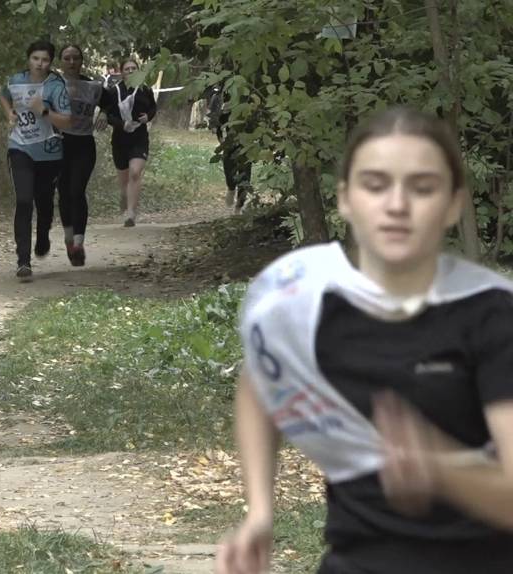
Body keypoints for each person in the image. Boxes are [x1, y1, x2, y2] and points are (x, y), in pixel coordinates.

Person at [217, 106, 513, 574]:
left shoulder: (493, 314)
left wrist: (439, 467)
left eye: (422, 187)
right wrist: (259, 511)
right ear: (346, 199)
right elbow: (260, 383)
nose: (397, 204)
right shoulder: (303, 300)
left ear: (455, 204)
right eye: (375, 185)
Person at [0, 39, 74, 282]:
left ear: (50, 62)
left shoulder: (55, 85)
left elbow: (67, 121)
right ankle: (23, 261)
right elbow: (4, 95)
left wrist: (43, 110)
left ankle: (43, 233)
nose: (40, 64)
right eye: (35, 59)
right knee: (23, 200)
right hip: (19, 147)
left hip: (49, 153)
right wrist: (9, 112)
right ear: (28, 59)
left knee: (43, 202)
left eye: (45, 60)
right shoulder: (15, 80)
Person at [55, 44, 115, 266]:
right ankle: (69, 238)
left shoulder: (92, 86)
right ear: (60, 61)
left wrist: (105, 114)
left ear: (81, 61)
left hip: (83, 145)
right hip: (58, 145)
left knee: (77, 191)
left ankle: (79, 243)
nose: (71, 62)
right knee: (63, 193)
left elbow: (111, 103)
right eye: (67, 58)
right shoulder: (52, 84)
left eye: (75, 58)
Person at [104, 59, 157, 227]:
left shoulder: (145, 89)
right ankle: (125, 197)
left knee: (135, 173)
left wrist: (148, 117)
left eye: (134, 68)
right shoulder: (114, 92)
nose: (131, 71)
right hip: (120, 139)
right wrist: (121, 124)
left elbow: (153, 108)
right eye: (127, 69)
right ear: (122, 72)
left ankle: (131, 213)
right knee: (124, 179)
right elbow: (108, 116)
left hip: (139, 138)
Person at [206, 84, 253, 214]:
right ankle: (231, 188)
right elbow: (214, 120)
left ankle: (239, 206)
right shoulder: (220, 96)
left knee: (245, 175)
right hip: (228, 139)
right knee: (229, 170)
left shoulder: (248, 96)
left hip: (246, 140)